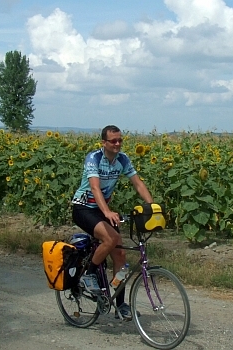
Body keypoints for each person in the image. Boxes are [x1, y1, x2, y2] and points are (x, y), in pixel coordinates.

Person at [71, 125, 154, 320]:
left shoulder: (122, 159)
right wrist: (107, 211)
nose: (117, 144)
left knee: (120, 254)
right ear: (104, 143)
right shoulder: (94, 158)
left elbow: (138, 183)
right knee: (111, 238)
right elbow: (95, 187)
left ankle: (120, 304)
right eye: (113, 141)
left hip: (102, 211)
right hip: (83, 208)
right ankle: (88, 274)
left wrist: (152, 206)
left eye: (120, 140)